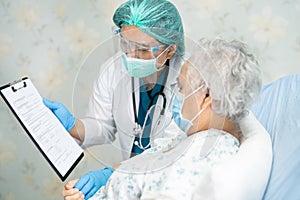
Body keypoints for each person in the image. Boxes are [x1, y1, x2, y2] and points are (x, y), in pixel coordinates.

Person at [62, 38, 264, 199]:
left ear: (207, 97)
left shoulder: (204, 152)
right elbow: (150, 159)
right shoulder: (191, 138)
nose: (177, 96)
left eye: (182, 89)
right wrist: (106, 177)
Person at [44, 0, 184, 198]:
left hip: (170, 184)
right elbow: (102, 126)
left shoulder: (190, 83)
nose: (130, 55)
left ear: (169, 50)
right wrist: (71, 125)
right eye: (125, 44)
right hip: (129, 183)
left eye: (142, 49)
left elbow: (169, 150)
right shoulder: (114, 69)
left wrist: (110, 175)